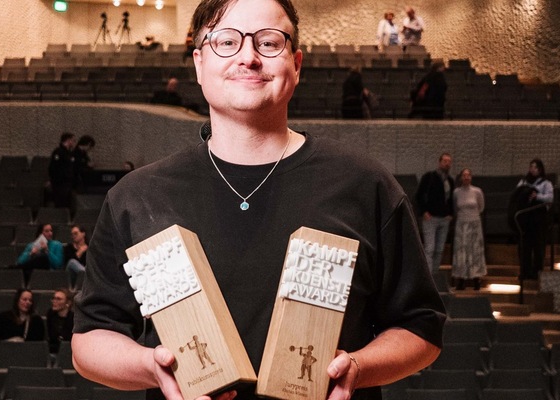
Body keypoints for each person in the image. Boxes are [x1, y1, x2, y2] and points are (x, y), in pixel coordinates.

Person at [71, 0, 445, 399]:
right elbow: (91, 339)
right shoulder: (136, 196)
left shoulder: (366, 186)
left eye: (268, 42)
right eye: (226, 41)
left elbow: (420, 327)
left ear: (296, 65)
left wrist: (358, 367)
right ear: (199, 63)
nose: (248, 57)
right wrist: (152, 367)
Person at [415, 153, 454, 275]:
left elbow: (451, 199)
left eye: (449, 161)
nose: (447, 163)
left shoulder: (450, 180)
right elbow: (419, 195)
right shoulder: (429, 177)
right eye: (445, 161)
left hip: (444, 218)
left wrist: (450, 213)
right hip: (430, 217)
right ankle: (428, 276)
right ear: (440, 162)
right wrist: (424, 212)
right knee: (430, 248)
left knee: (439, 249)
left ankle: (434, 275)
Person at [514, 158, 553, 280]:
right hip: (526, 219)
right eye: (531, 167)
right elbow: (517, 195)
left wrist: (538, 196)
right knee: (525, 247)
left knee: (538, 247)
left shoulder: (546, 183)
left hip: (539, 219)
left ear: (540, 169)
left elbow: (550, 198)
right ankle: (525, 271)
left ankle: (537, 272)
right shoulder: (523, 182)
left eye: (535, 167)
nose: (532, 169)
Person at [0, 288, 46, 360]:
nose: (27, 302)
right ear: (17, 300)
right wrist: (9, 342)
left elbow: (38, 344)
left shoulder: (36, 320)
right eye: (24, 299)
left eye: (30, 300)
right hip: (6, 355)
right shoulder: (4, 317)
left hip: (27, 357)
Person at [451, 168, 486, 290]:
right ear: (461, 177)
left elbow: (481, 207)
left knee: (475, 251)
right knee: (461, 251)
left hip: (474, 224)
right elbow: (455, 207)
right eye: (464, 175)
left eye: (468, 175)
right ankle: (461, 279)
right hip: (461, 224)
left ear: (471, 177)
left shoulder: (477, 191)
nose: (466, 177)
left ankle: (476, 279)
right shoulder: (456, 192)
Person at [49, 132, 76, 208]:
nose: (74, 143)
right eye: (73, 140)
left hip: (68, 182)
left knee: (67, 204)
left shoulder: (69, 153)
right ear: (68, 140)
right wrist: (54, 180)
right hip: (60, 183)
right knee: (60, 204)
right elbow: (53, 168)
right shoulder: (58, 152)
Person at [47, 288, 75, 353]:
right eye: (54, 298)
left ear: (68, 303)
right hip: (53, 350)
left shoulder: (73, 318)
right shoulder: (50, 315)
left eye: (58, 299)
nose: (54, 301)